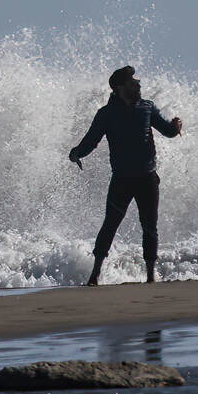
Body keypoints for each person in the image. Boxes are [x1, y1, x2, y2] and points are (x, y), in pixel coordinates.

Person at [69, 66, 182, 285]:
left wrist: (175, 126)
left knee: (150, 225)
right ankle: (95, 274)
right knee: (110, 224)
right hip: (122, 180)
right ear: (120, 87)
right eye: (132, 82)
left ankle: (150, 275)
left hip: (147, 178)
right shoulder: (106, 114)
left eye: (137, 82)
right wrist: (75, 153)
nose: (138, 84)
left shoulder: (148, 108)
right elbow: (91, 141)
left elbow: (167, 131)